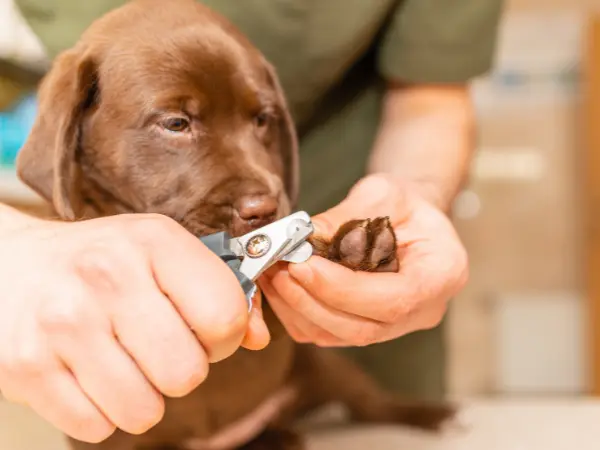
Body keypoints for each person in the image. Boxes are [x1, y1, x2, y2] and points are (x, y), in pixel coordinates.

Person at [0, 0, 504, 444]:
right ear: (71, 131)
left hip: (318, 352)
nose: (259, 191)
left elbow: (430, 96)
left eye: (260, 121)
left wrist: (413, 198)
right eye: (177, 123)